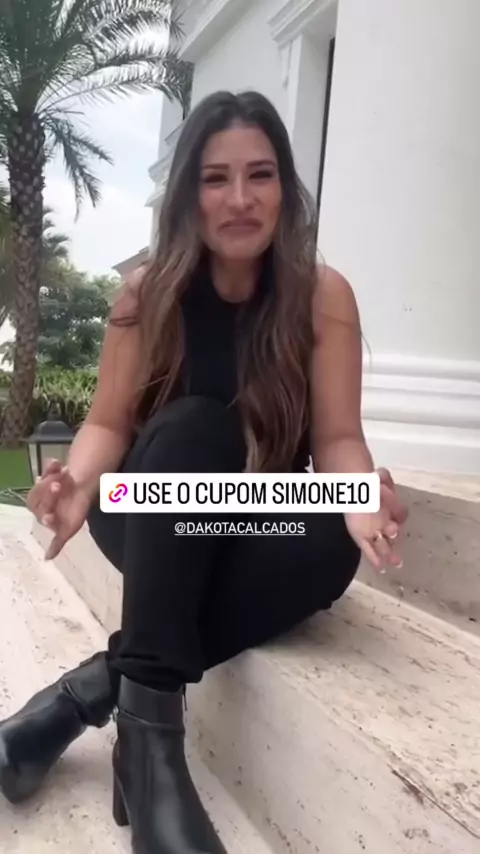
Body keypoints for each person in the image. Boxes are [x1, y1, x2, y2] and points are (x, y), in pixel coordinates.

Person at [0, 91, 407, 853]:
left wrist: (359, 501)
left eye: (260, 175)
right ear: (189, 193)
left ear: (285, 187)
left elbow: (337, 438)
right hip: (149, 504)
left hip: (254, 513)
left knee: (330, 540)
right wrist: (76, 484)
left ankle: (84, 698)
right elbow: (108, 424)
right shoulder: (148, 291)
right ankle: (154, 754)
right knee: (194, 424)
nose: (240, 198)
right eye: (216, 179)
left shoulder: (322, 297)